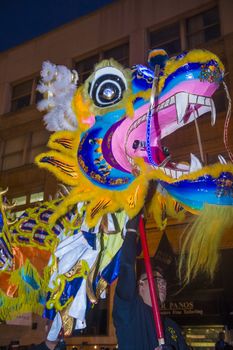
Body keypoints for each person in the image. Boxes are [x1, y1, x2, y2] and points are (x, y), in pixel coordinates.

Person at [112, 214, 189, 350]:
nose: (162, 284)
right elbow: (126, 268)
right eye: (157, 280)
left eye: (163, 282)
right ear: (140, 284)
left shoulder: (171, 326)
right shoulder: (130, 311)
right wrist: (131, 232)